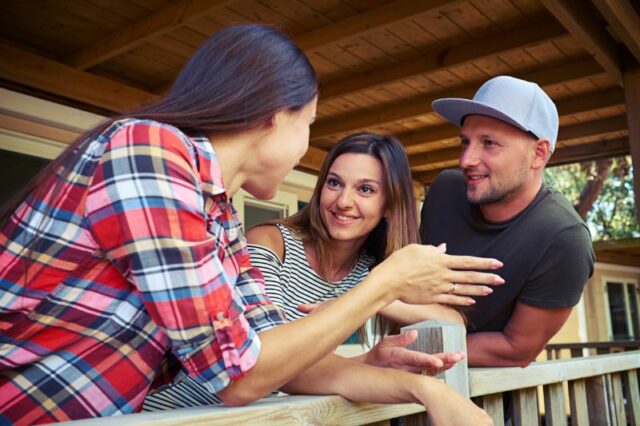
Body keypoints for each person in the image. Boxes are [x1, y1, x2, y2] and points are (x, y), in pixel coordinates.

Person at [0, 24, 500, 425]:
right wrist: (385, 284)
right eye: (309, 124)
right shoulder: (147, 150)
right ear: (273, 116)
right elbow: (240, 378)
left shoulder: (219, 221)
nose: (308, 148)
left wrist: (427, 390)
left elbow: (264, 356)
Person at [420, 75, 596, 367]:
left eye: (489, 143)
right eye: (466, 142)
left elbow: (516, 348)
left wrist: (407, 351)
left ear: (538, 153)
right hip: (392, 385)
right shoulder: (445, 190)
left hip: (489, 401)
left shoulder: (564, 237)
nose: (466, 159)